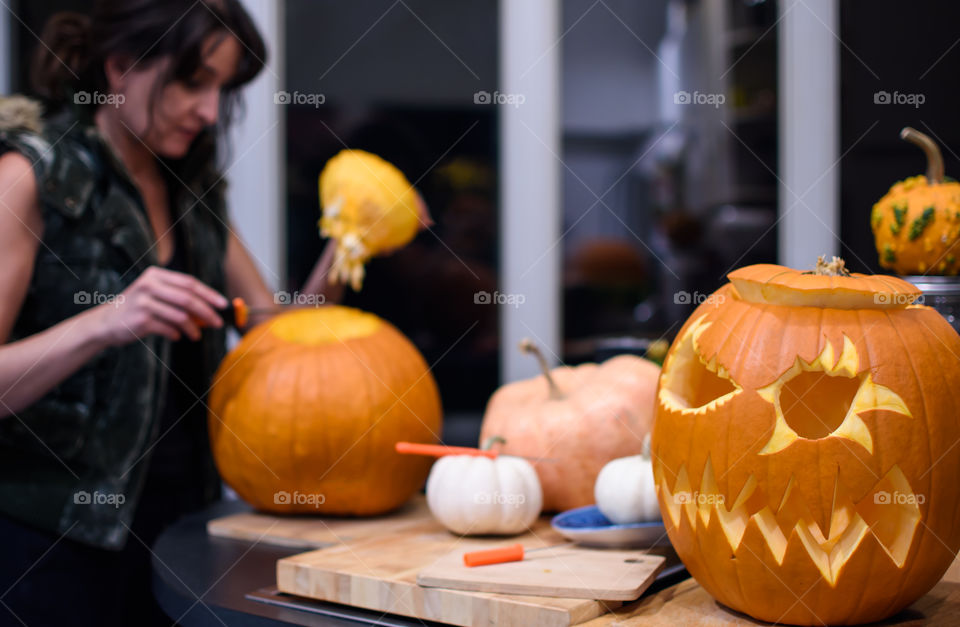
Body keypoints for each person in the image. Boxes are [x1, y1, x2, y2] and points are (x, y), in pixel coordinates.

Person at [0, 1, 336, 624]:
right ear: (122, 65)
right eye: (192, 82)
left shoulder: (194, 186)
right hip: (48, 546)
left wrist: (351, 246)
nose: (209, 111)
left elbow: (275, 338)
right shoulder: (30, 175)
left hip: (181, 531)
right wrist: (104, 319)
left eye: (220, 88)